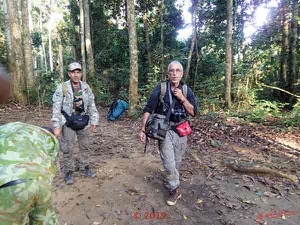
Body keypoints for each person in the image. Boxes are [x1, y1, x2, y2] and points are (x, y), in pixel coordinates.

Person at [139, 61, 197, 206]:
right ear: (168, 73)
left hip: (181, 130)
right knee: (168, 162)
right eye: (172, 71)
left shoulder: (186, 90)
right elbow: (148, 108)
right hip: (164, 131)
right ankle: (175, 189)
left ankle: (173, 182)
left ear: (182, 73)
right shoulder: (161, 88)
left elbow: (193, 112)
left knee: (176, 162)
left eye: (178, 71)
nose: (175, 73)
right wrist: (142, 129)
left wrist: (182, 98)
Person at [51, 62, 99, 185]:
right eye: (73, 72)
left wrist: (94, 120)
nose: (76, 75)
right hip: (68, 122)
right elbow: (56, 108)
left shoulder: (86, 87)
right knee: (68, 148)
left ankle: (84, 167)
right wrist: (56, 126)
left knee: (85, 146)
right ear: (69, 74)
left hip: (82, 121)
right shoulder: (62, 87)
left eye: (78, 72)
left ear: (81, 73)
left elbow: (92, 105)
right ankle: (69, 171)